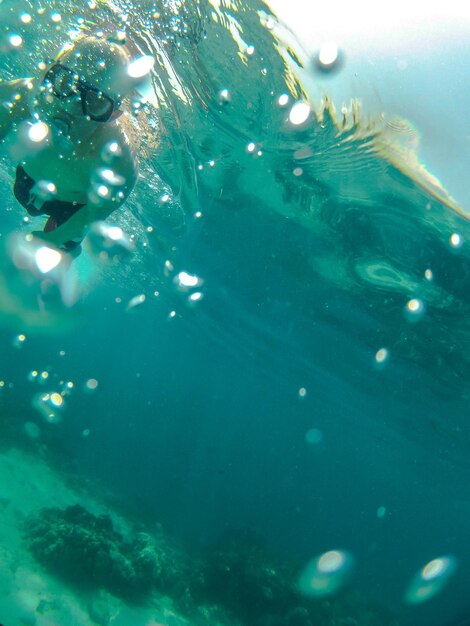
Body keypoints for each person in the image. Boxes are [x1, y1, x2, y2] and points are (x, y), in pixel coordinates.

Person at [0, 29, 148, 255]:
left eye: (96, 102)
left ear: (113, 115)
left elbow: (93, 215)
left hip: (72, 209)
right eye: (66, 84)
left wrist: (56, 238)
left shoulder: (118, 162)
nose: (71, 107)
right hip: (26, 183)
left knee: (65, 246)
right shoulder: (19, 97)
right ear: (50, 74)